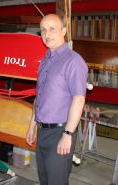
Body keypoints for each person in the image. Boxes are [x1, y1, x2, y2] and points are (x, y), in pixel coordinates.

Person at [26, 14, 88, 185]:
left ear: (64, 31)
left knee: (57, 181)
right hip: (42, 131)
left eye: (52, 29)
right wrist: (32, 125)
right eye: (43, 30)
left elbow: (79, 99)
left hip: (60, 132)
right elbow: (40, 96)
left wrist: (68, 134)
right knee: (44, 180)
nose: (47, 34)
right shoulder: (45, 60)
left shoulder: (73, 61)